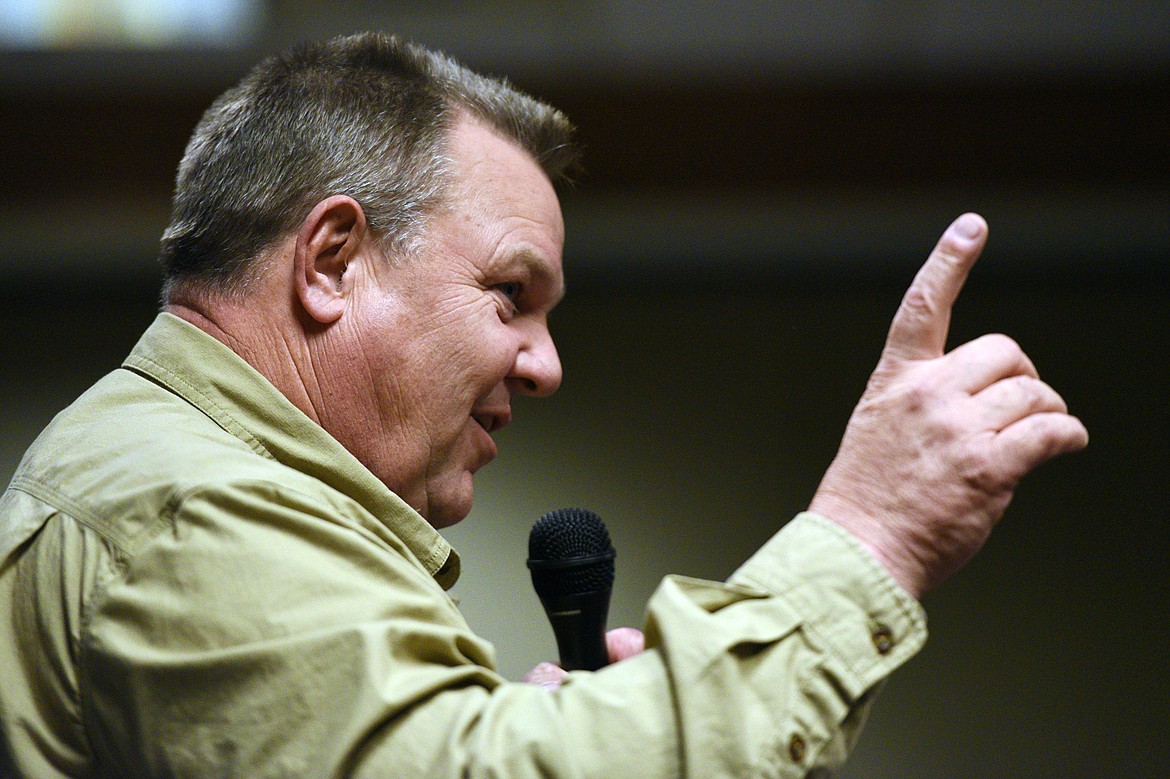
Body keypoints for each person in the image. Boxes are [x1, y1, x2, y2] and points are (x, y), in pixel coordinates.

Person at [0, 32, 1087, 777]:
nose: (545, 364)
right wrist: (868, 537)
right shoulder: (193, 506)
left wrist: (555, 733)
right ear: (332, 260)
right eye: (511, 295)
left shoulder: (180, 475)